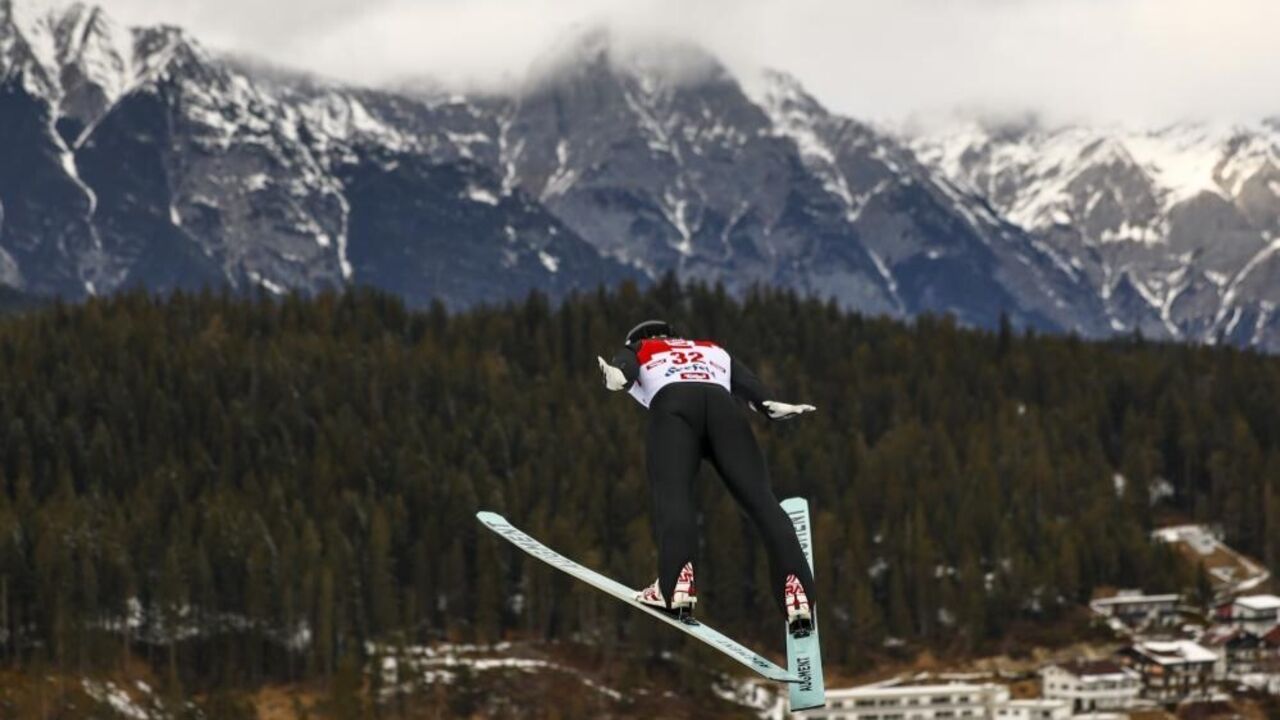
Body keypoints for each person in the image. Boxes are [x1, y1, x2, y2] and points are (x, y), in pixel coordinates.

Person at [596, 319, 818, 631]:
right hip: (724, 413)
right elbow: (755, 392)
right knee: (763, 503)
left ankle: (677, 585)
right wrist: (772, 407)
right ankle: (798, 595)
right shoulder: (710, 349)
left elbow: (624, 373)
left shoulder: (641, 347)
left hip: (673, 411)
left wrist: (615, 376)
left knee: (674, 499)